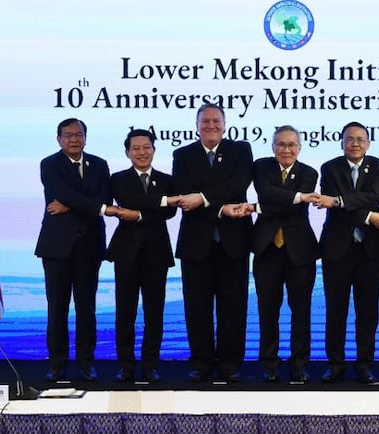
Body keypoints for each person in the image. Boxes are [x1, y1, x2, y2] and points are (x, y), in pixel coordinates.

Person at [172, 103, 253, 383]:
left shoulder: (241, 151)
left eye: (216, 121)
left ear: (224, 123)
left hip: (235, 241)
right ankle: (201, 363)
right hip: (196, 243)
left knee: (234, 306)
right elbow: (184, 196)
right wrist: (219, 208)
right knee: (197, 307)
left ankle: (230, 365)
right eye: (205, 121)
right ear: (197, 125)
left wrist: (204, 199)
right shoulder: (182, 155)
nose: (211, 126)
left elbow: (238, 184)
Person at [35, 118, 115, 382]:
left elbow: (105, 200)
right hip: (57, 247)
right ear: (59, 139)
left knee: (87, 308)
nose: (74, 139)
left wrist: (69, 206)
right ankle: (57, 364)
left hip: (89, 246)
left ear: (85, 137)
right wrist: (86, 204)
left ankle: (86, 363)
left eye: (78, 134)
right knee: (57, 308)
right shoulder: (50, 164)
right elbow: (61, 192)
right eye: (68, 135)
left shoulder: (100, 164)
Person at [315, 121, 379, 385]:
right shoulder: (329, 168)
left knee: (367, 310)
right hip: (337, 248)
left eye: (360, 139)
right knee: (336, 309)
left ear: (368, 143)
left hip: (370, 249)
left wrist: (340, 201)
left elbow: (373, 196)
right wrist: (369, 216)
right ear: (342, 142)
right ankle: (335, 364)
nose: (355, 143)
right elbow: (331, 203)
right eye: (349, 139)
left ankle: (364, 365)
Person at [106, 129, 178, 383]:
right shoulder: (117, 179)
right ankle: (126, 365)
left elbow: (170, 213)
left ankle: (150, 365)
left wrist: (138, 214)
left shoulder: (167, 180)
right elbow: (130, 199)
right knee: (125, 312)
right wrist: (158, 204)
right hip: (126, 252)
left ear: (154, 150)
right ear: (127, 152)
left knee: (154, 312)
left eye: (146, 147)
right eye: (135, 148)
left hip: (157, 253)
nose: (141, 152)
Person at [250, 125, 319, 384]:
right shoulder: (261, 167)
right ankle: (269, 362)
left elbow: (278, 204)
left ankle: (299, 363)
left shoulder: (309, 172)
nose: (286, 149)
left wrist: (260, 207)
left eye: (291, 145)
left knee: (301, 310)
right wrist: (298, 197)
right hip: (267, 249)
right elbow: (268, 194)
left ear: (299, 148)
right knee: (268, 309)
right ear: (272, 147)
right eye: (281, 144)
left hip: (300, 251)